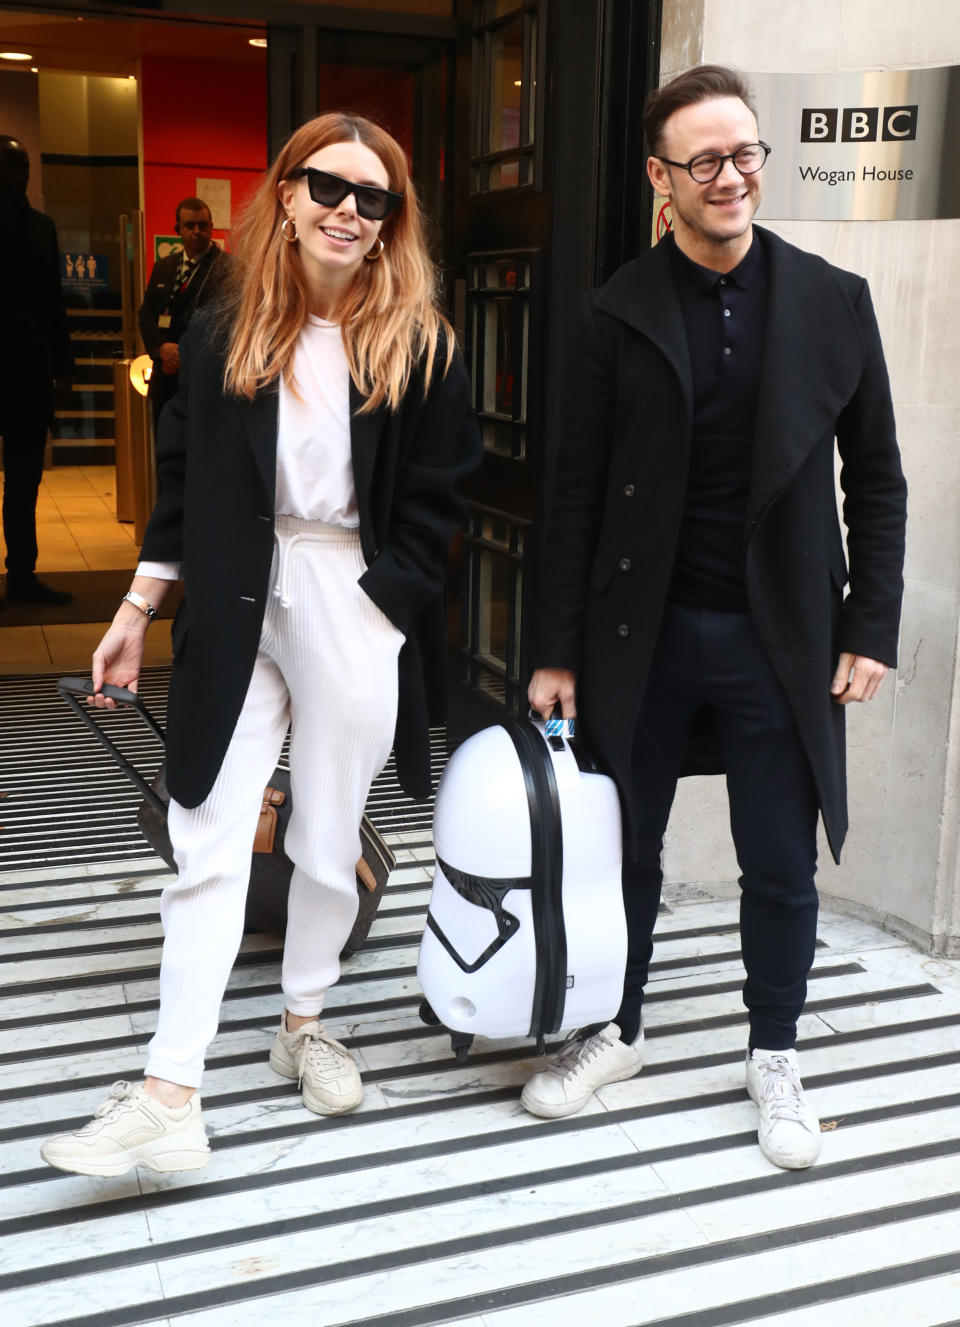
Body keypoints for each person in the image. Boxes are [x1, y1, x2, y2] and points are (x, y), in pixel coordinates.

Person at [41, 113, 481, 1178]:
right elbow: (185, 488)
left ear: (391, 222)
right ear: (285, 193)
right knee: (206, 829)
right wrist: (139, 607)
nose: (348, 210)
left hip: (350, 593)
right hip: (242, 593)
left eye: (373, 198)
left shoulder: (416, 342)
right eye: (328, 185)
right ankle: (169, 1088)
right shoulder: (226, 328)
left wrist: (384, 603)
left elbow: (440, 499)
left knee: (328, 837)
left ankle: (305, 1020)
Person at [523, 66, 907, 1171]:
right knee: (625, 851)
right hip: (641, 631)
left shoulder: (835, 300)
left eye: (745, 155)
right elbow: (577, 493)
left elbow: (875, 481)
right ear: (661, 178)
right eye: (705, 161)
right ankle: (620, 1025)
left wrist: (868, 624)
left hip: (780, 634)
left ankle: (774, 1050)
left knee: (779, 859)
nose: (732, 176)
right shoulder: (616, 310)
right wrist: (554, 647)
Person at [0, 135, 74, 606]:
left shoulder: (42, 228)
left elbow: (54, 305)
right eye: (10, 167)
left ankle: (22, 574)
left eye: (23, 167)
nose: (19, 176)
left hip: (28, 372)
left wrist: (63, 370)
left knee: (24, 480)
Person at [137, 196, 226, 429]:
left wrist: (185, 353)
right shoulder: (164, 267)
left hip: (204, 376)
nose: (197, 232)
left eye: (203, 225)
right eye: (189, 226)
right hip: (166, 374)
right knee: (164, 447)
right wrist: (161, 347)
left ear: (211, 227)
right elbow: (147, 314)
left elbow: (225, 324)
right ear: (178, 230)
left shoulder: (228, 269)